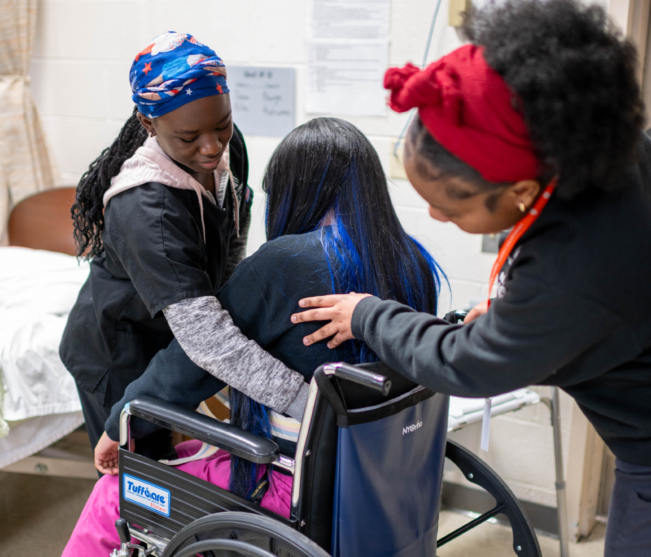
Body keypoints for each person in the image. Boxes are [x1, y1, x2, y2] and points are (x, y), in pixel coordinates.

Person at [291, 2, 651, 555]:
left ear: (522, 192)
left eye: (451, 210)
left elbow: (467, 364)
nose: (435, 219)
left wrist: (366, 313)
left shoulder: (575, 264)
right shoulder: (613, 159)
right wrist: (525, 329)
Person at [61, 117, 444, 556]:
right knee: (188, 447)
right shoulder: (414, 262)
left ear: (293, 189)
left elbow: (195, 360)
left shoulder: (285, 263)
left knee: (114, 493)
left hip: (290, 485)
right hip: (379, 477)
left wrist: (119, 424)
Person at [60, 32, 308, 461]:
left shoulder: (226, 148)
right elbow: (206, 340)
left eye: (222, 125)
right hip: (120, 350)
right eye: (190, 137)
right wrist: (304, 400)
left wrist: (237, 315)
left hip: (175, 336)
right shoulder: (147, 209)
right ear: (149, 124)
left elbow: (230, 239)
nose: (212, 147)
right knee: (144, 482)